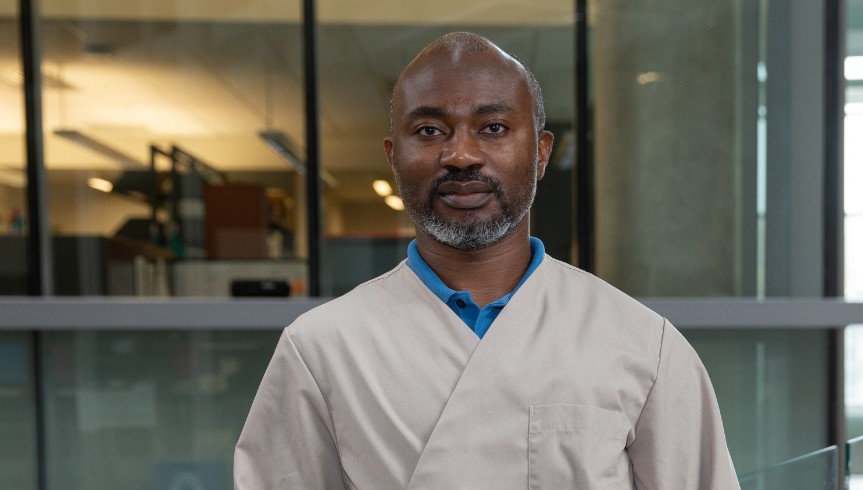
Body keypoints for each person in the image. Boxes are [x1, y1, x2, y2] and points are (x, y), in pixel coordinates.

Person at [233, 32, 739, 489]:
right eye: (430, 131)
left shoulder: (643, 343)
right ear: (393, 157)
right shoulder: (321, 347)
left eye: (494, 127)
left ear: (540, 153)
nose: (461, 155)